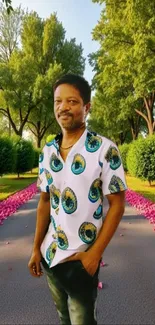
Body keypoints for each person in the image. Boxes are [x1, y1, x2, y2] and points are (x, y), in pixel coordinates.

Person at [28, 74, 127, 325]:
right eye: (58, 101)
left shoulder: (105, 149)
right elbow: (44, 202)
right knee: (63, 318)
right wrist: (35, 249)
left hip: (81, 258)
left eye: (72, 101)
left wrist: (94, 255)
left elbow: (117, 205)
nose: (63, 107)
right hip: (50, 256)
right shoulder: (47, 151)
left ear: (86, 107)